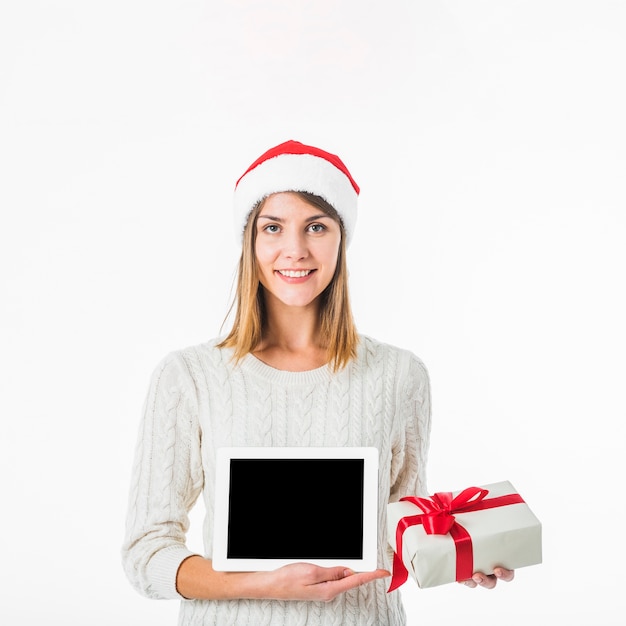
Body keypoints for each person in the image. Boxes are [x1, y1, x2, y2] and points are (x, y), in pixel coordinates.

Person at [121, 140, 514, 625]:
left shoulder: (400, 375)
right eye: (273, 227)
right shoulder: (190, 377)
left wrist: (458, 556)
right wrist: (266, 585)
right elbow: (146, 553)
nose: (296, 250)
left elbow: (401, 528)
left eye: (316, 226)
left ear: (340, 240)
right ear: (250, 242)